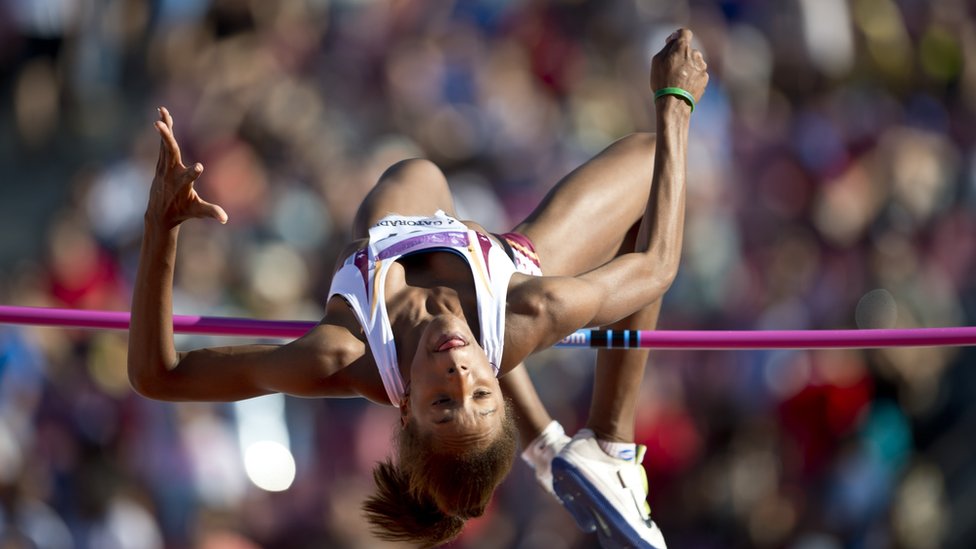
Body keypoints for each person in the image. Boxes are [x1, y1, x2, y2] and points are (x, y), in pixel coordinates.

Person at [127, 28, 708, 548]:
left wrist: (161, 228)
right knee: (656, 161)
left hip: (406, 231)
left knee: (410, 176)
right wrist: (675, 104)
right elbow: (656, 267)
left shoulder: (341, 352)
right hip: (511, 261)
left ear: (404, 411)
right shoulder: (530, 310)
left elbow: (158, 377)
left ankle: (555, 447)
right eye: (480, 395)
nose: (461, 380)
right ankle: (609, 447)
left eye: (441, 405)